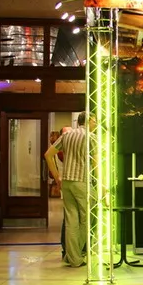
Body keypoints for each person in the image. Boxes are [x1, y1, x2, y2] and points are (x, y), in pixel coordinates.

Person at [44, 112, 89, 267]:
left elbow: (48, 155)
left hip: (67, 182)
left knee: (70, 221)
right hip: (81, 181)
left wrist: (57, 178)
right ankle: (76, 254)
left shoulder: (66, 137)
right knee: (87, 218)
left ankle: (72, 257)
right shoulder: (90, 137)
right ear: (90, 121)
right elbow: (97, 163)